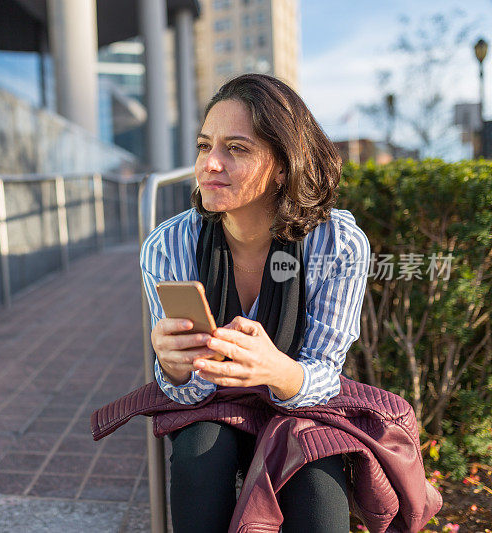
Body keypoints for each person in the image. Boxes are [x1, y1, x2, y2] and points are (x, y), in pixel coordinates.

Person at [140, 73, 371, 532]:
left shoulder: (337, 243)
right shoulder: (171, 244)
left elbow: (324, 373)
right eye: (205, 146)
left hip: (299, 404)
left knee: (318, 494)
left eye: (237, 149)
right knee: (200, 457)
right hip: (212, 403)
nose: (210, 164)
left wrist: (275, 369)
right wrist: (173, 368)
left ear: (284, 165)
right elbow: (184, 394)